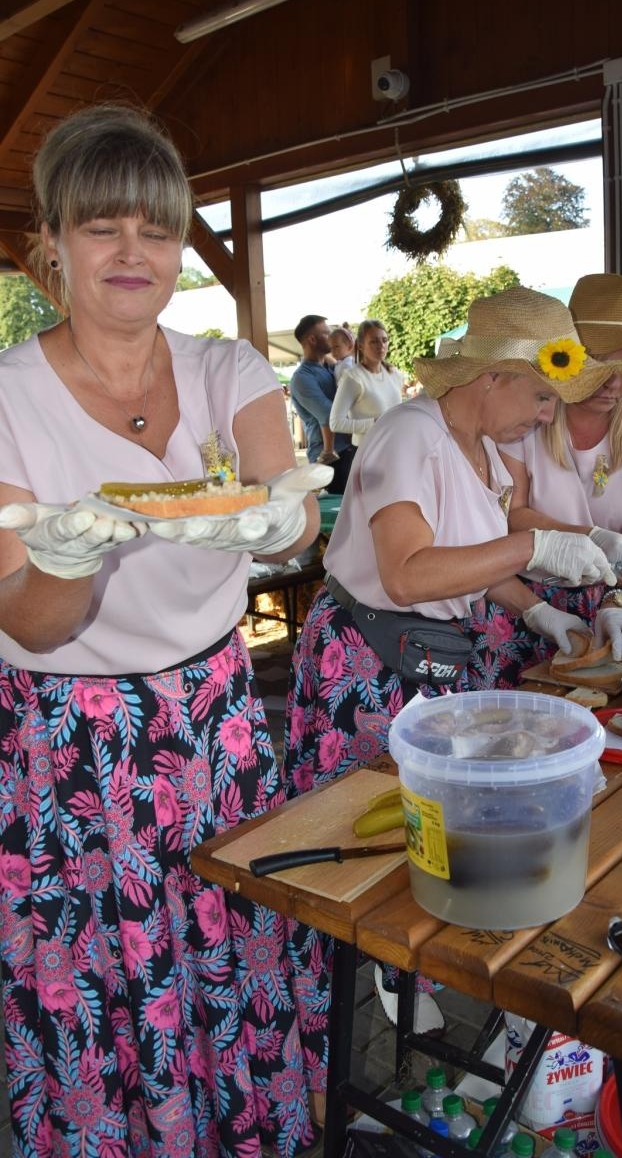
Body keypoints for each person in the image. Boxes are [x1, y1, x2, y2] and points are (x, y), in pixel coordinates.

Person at [0, 104, 331, 1158]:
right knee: (101, 978)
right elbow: (34, 626)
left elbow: (283, 489)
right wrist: (69, 556)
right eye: (103, 226)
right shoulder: (6, 397)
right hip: (70, 744)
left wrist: (286, 512)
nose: (133, 251)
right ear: (52, 240)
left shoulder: (227, 365)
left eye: (157, 226)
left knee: (230, 950)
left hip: (215, 719)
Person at [283, 286, 622, 1030]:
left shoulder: (483, 453)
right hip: (366, 657)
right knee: (353, 836)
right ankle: (333, 1016)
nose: (544, 414)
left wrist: (531, 606)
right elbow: (408, 571)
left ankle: (405, 969)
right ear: (489, 377)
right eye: (539, 394)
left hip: (425, 656)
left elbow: (469, 560)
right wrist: (535, 548)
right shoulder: (410, 434)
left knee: (425, 821)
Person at [501, 273, 622, 661]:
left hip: (618, 593)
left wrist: (621, 600)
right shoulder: (525, 418)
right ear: (568, 356)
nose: (614, 383)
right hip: (525, 598)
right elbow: (510, 516)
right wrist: (591, 535)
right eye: (598, 363)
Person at [289, 314, 355, 491]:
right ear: (312, 339)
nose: (333, 336)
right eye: (326, 333)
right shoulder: (302, 378)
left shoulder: (331, 366)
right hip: (331, 459)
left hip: (348, 450)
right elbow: (329, 415)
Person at [329, 318, 404, 446]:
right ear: (361, 345)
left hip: (395, 447)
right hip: (368, 452)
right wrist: (375, 423)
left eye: (384, 340)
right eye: (374, 341)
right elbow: (336, 423)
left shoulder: (394, 373)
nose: (381, 345)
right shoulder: (353, 377)